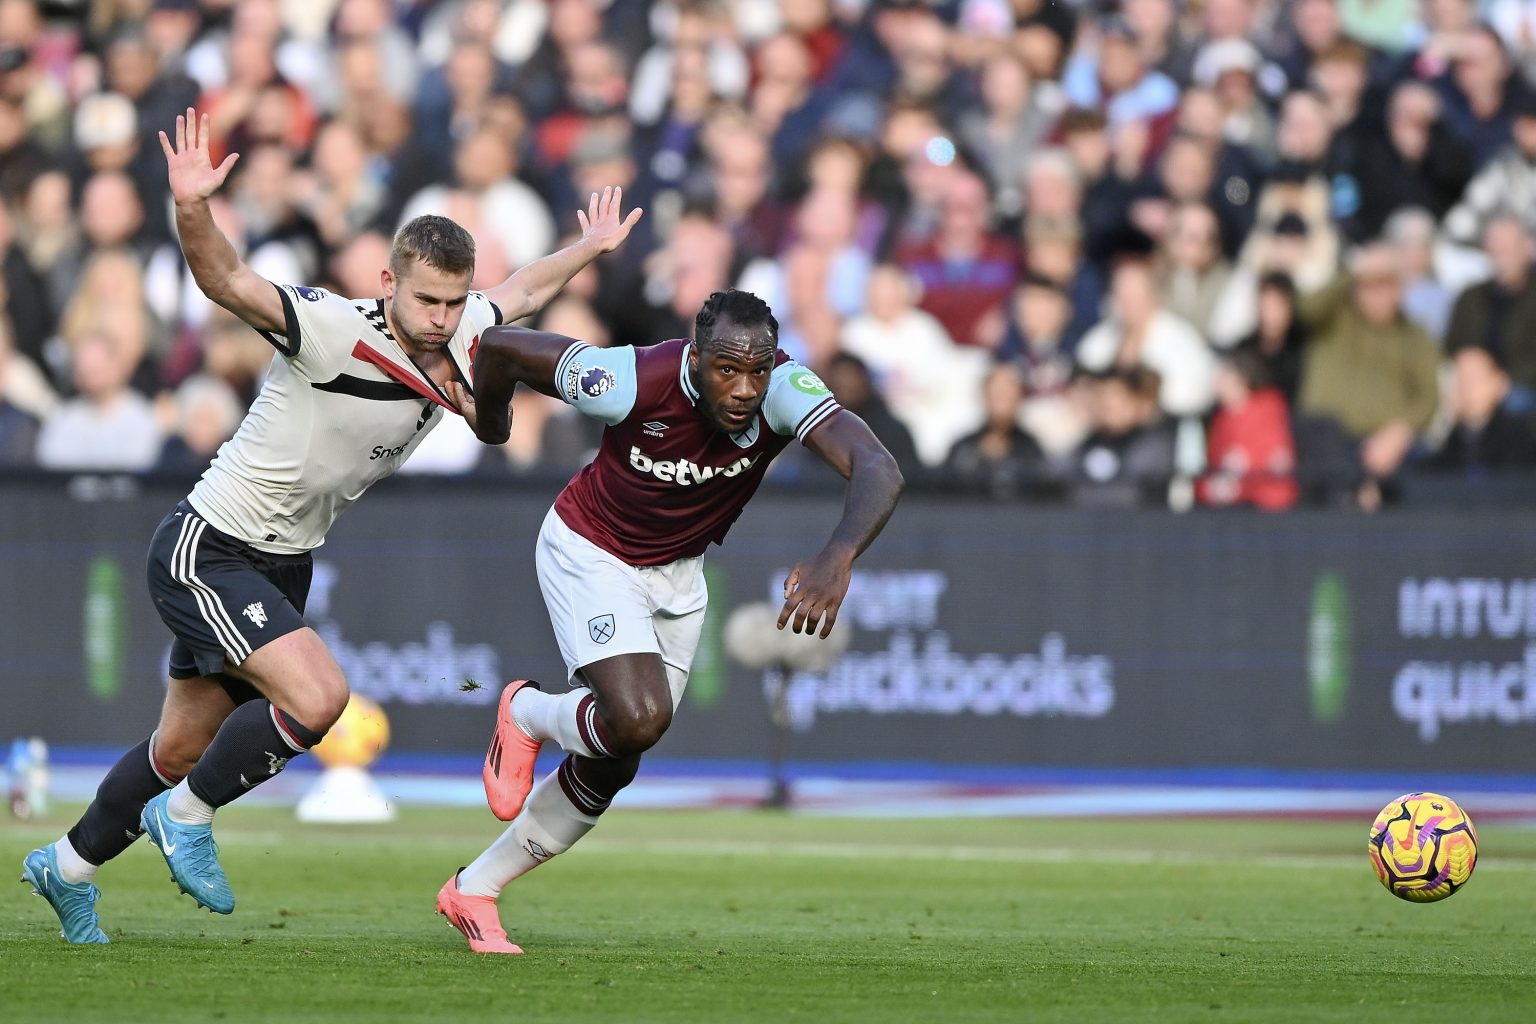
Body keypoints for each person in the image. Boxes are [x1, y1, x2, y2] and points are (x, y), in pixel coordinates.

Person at [21, 107, 642, 943]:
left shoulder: (466, 332)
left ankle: (65, 868)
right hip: (210, 545)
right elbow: (226, 281)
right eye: (426, 300)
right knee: (320, 698)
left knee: (176, 749)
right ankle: (189, 816)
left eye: (454, 302)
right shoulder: (332, 328)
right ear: (388, 283)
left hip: (285, 560)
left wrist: (588, 248)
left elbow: (524, 289)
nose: (442, 318)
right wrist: (192, 207)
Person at [434, 287, 904, 954]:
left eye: (758, 370)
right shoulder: (628, 379)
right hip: (592, 549)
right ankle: (528, 712)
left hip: (681, 575)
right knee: (637, 718)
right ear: (695, 356)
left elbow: (878, 466)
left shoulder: (783, 389)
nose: (745, 389)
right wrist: (489, 421)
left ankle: (473, 889)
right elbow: (504, 347)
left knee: (616, 760)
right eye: (727, 369)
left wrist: (839, 555)